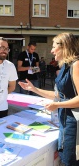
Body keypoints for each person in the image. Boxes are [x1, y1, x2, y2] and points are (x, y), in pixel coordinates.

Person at [18, 33, 79, 166]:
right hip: (64, 121)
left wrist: (57, 105)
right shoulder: (65, 66)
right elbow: (58, 95)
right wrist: (34, 89)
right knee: (64, 157)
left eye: (53, 46)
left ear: (64, 47)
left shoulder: (76, 65)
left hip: (73, 123)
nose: (51, 50)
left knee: (69, 160)